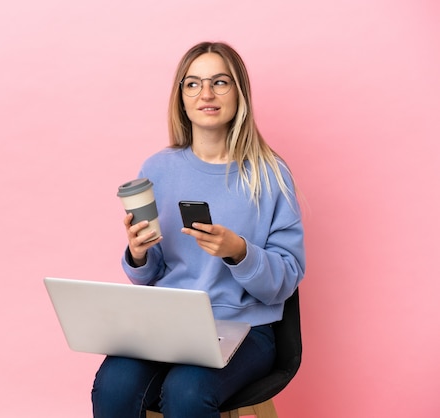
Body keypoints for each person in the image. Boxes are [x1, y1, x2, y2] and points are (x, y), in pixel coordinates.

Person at [91, 41, 306, 418]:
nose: (205, 93)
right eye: (193, 84)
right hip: (167, 324)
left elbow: (285, 282)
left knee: (187, 391)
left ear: (239, 92)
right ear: (181, 97)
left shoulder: (269, 175)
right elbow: (151, 272)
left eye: (220, 82)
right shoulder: (157, 169)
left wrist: (239, 251)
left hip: (243, 327)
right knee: (114, 386)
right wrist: (139, 253)